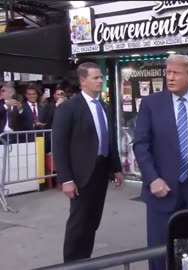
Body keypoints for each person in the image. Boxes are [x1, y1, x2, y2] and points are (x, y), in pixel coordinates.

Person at [133, 54, 188, 270]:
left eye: (176, 73)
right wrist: (152, 179)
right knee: (159, 246)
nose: (170, 78)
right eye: (168, 73)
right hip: (162, 185)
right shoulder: (151, 104)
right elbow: (140, 145)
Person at [52, 62, 124, 262]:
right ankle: (72, 263)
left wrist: (116, 168)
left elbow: (109, 139)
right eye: (96, 77)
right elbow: (59, 146)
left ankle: (85, 260)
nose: (100, 80)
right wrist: (66, 179)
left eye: (101, 77)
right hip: (80, 174)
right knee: (79, 222)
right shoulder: (69, 108)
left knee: (92, 220)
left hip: (100, 171)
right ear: (83, 81)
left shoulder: (104, 107)